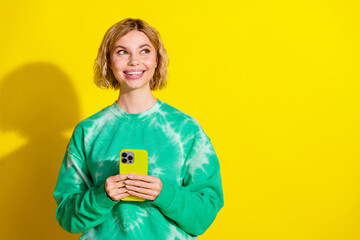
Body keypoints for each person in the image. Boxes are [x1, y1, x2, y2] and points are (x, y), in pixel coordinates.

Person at [53, 18, 224, 240]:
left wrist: (164, 193)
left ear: (157, 60)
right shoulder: (89, 131)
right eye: (122, 52)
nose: (134, 61)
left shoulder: (186, 129)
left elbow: (205, 213)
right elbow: (67, 217)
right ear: (109, 61)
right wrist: (102, 196)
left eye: (144, 51)